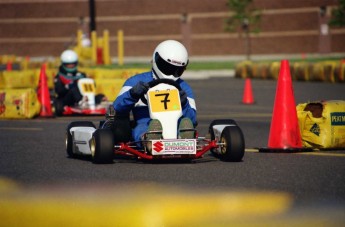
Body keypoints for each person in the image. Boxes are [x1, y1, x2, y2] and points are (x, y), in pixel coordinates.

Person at [113, 40, 197, 143]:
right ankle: (149, 139)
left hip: (175, 122)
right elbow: (117, 107)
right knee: (142, 127)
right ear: (157, 60)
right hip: (146, 121)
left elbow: (192, 119)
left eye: (177, 70)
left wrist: (184, 104)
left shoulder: (183, 87)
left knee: (185, 123)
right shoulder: (135, 82)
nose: (171, 73)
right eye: (167, 67)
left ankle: (184, 137)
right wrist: (132, 95)